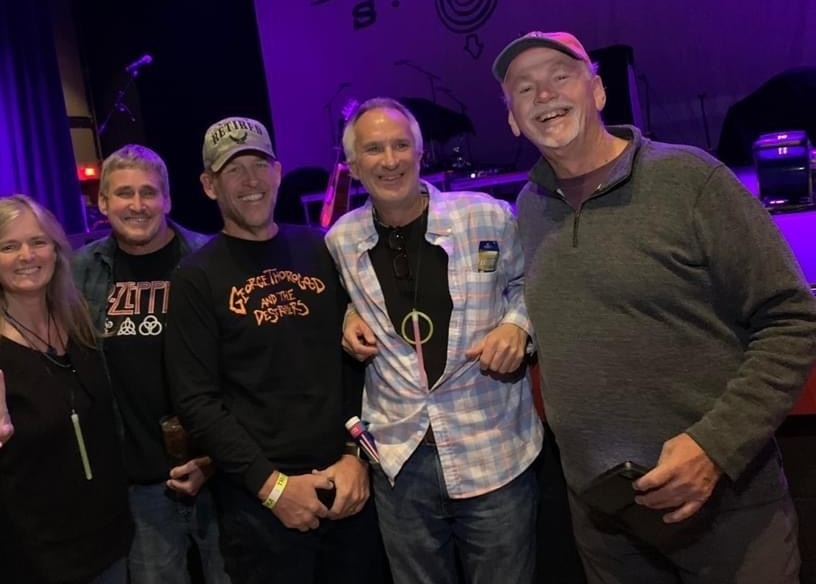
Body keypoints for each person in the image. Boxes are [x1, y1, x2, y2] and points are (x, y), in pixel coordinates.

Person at [492, 30, 816, 583]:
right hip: (606, 524)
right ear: (513, 121)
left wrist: (714, 447)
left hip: (727, 511)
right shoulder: (530, 207)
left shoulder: (689, 179)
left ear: (598, 92)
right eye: (525, 88)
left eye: (560, 76)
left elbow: (791, 317)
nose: (544, 95)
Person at [0, 145, 229, 584]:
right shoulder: (84, 274)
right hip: (136, 492)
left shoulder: (209, 259)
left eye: (149, 192)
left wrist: (215, 455)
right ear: (102, 202)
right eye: (123, 193)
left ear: (167, 198)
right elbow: (7, 302)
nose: (137, 204)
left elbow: (244, 359)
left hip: (221, 471)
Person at [327, 97, 543, 584]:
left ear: (421, 153)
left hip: (492, 447)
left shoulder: (487, 217)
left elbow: (530, 283)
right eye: (374, 149)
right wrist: (347, 314)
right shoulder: (340, 240)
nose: (390, 160)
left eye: (401, 145)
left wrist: (518, 326)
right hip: (400, 459)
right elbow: (339, 299)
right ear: (353, 167)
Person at [164, 116, 384, 584]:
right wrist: (272, 488)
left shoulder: (319, 247)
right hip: (261, 509)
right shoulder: (195, 277)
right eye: (233, 170)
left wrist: (356, 454)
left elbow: (356, 360)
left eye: (260, 165)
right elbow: (196, 401)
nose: (251, 181)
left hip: (347, 486)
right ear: (209, 185)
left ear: (279, 172)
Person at [0, 195, 133, 584]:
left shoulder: (80, 324)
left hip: (105, 551)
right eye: (9, 246)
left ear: (56, 250)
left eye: (38, 242)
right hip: (21, 565)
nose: (27, 255)